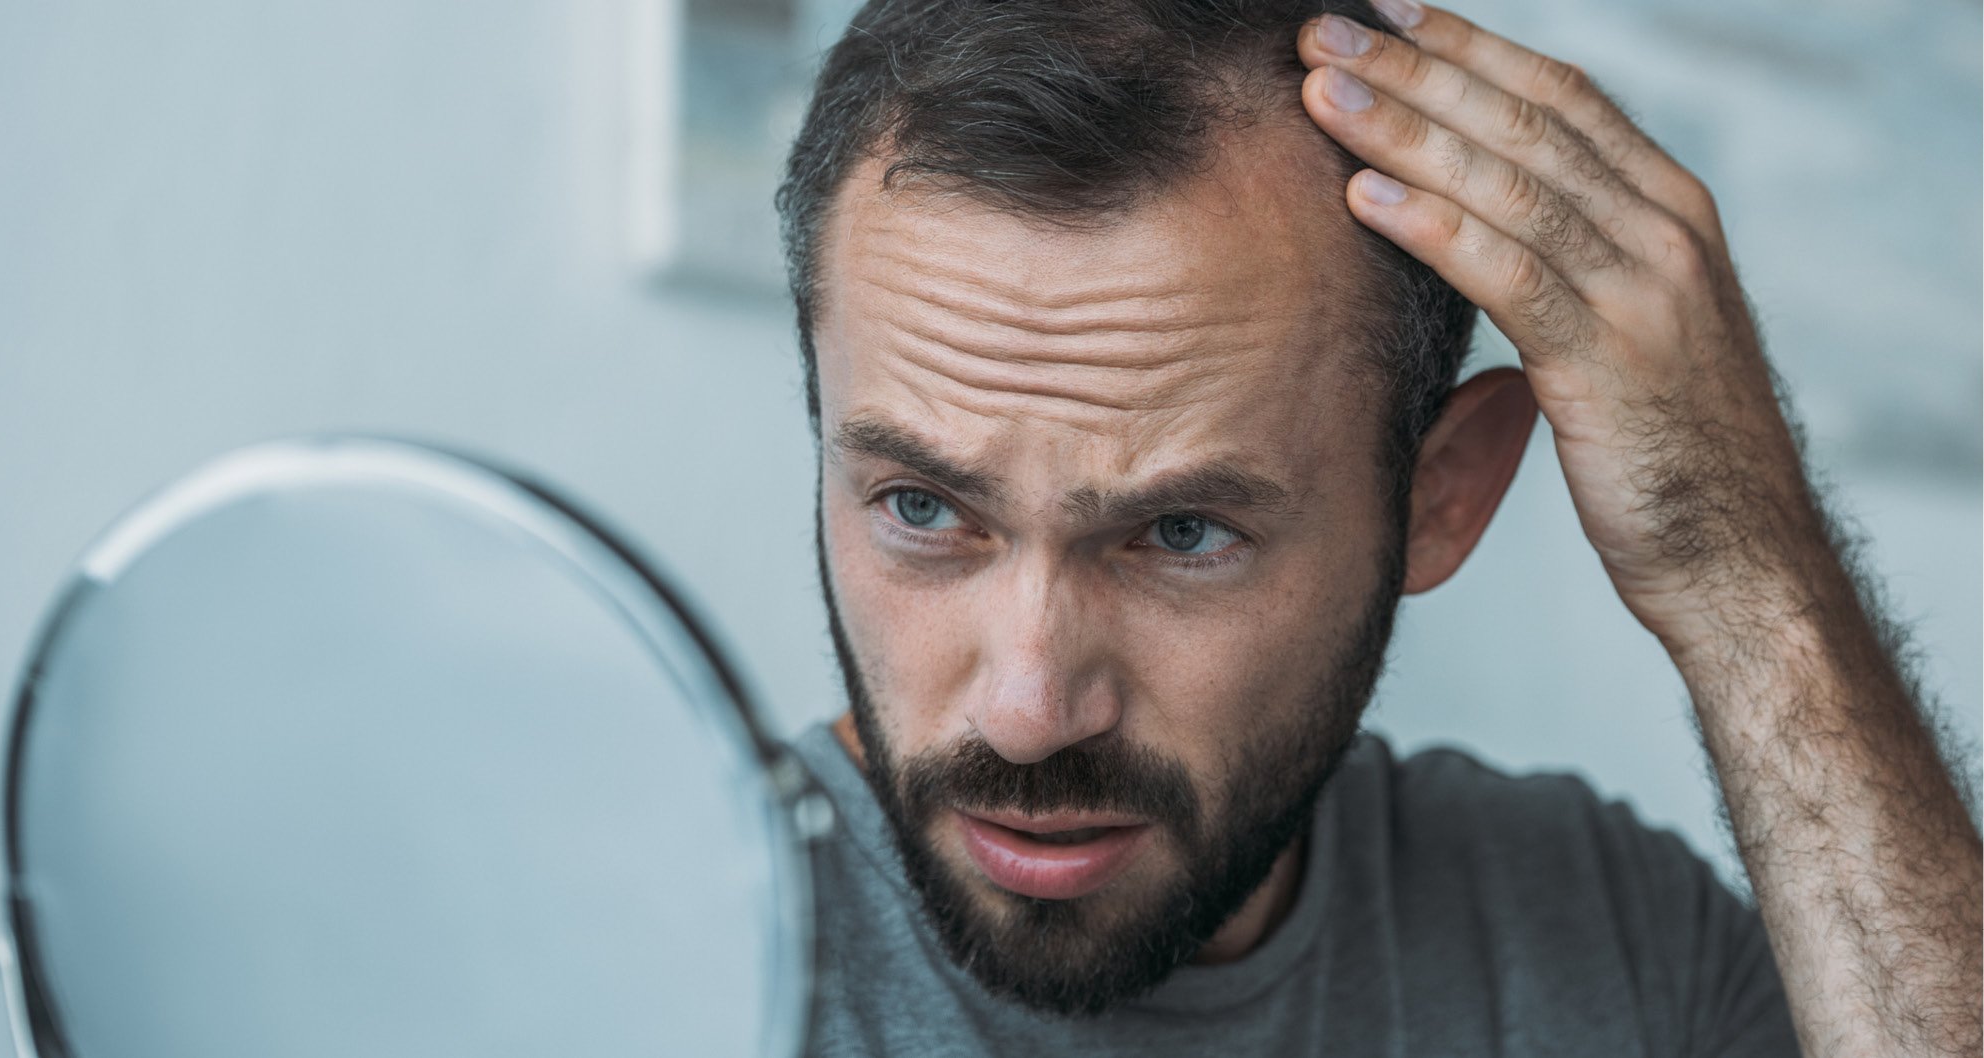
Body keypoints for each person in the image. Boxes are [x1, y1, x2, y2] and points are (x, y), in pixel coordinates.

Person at [769, 0, 1983, 1053]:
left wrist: (1747, 576)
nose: (1028, 709)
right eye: (921, 508)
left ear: (1439, 496)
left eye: (1183, 532)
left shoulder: (1612, 947)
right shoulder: (644, 949)